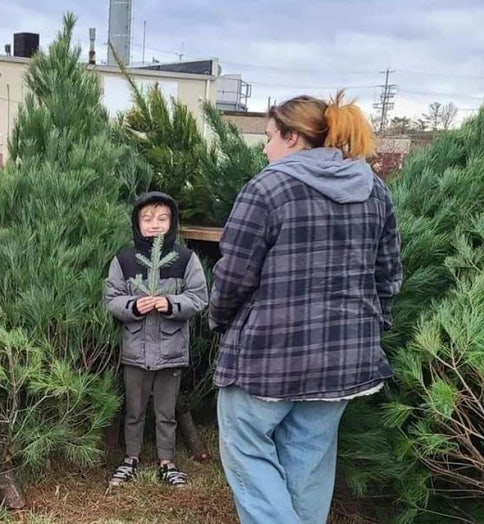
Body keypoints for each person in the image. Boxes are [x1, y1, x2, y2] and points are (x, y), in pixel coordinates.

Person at [210, 91, 403, 524]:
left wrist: (220, 320)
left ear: (293, 137)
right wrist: (370, 328)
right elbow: (388, 274)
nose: (265, 147)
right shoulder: (375, 190)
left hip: (269, 356)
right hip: (346, 360)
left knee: (245, 449)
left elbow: (233, 275)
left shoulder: (268, 186)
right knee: (309, 461)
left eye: (270, 136)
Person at [104, 191, 209, 487]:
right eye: (147, 218)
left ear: (172, 223)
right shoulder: (124, 260)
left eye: (162, 219)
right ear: (137, 223)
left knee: (166, 410)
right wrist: (134, 306)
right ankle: (131, 458)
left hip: (171, 350)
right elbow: (112, 298)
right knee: (134, 410)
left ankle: (167, 461)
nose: (154, 224)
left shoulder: (186, 259)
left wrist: (171, 304)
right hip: (135, 352)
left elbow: (199, 297)